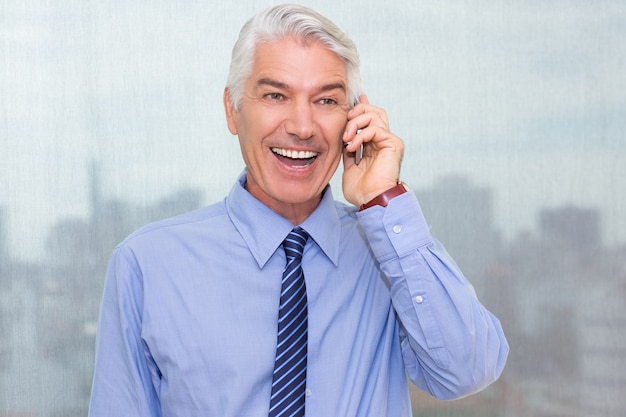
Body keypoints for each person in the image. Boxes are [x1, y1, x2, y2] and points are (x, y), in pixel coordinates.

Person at [88, 4, 508, 416]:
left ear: (354, 118)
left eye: (326, 101)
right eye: (275, 95)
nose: (302, 127)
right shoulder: (147, 264)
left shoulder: (388, 253)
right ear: (232, 110)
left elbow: (468, 371)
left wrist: (383, 199)